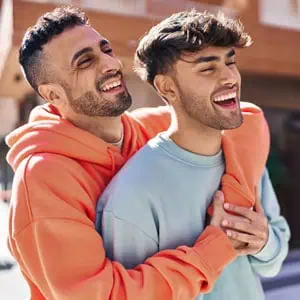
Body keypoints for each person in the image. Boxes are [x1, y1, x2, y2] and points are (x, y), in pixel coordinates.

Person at [6, 6, 273, 300]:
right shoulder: (43, 179)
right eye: (85, 61)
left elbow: (243, 119)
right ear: (53, 95)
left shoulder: (146, 130)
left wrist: (235, 210)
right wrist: (215, 248)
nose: (109, 63)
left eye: (105, 49)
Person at [96, 10, 290, 300]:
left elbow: (273, 259)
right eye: (208, 68)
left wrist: (263, 243)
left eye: (230, 62)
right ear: (167, 87)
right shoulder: (133, 194)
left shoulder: (244, 156)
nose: (229, 78)